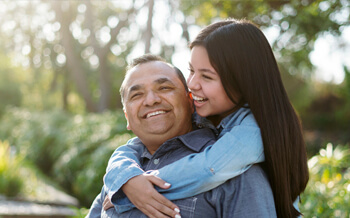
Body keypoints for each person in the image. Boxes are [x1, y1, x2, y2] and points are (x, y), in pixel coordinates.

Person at [102, 18, 309, 218]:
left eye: (207, 76)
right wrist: (124, 176)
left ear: (242, 82)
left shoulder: (251, 135)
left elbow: (207, 169)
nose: (191, 84)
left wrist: (138, 190)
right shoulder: (201, 116)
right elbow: (132, 146)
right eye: (191, 70)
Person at [86, 54, 276, 217]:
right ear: (127, 117)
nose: (151, 100)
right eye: (137, 95)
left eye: (164, 88)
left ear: (191, 102)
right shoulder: (122, 176)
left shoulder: (236, 171)